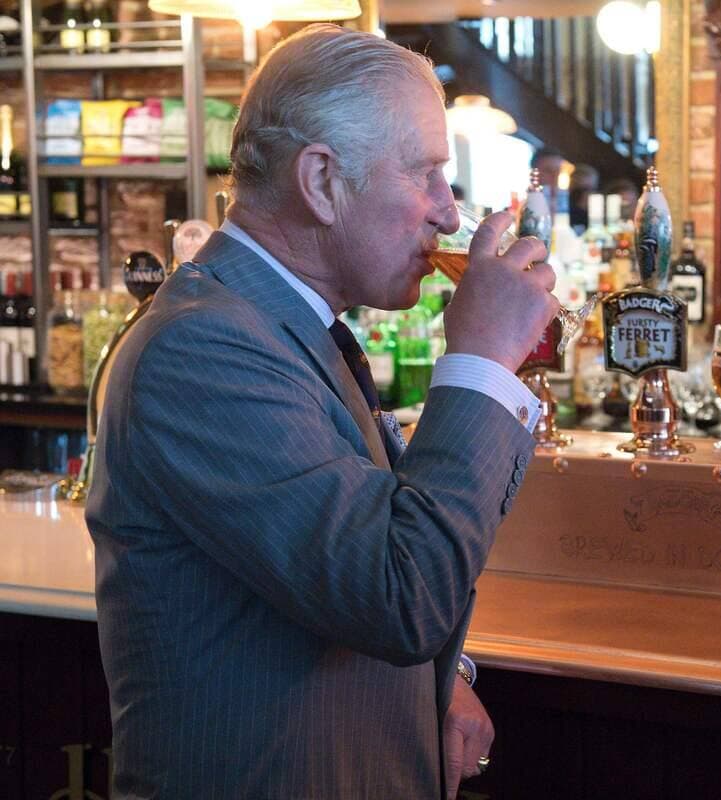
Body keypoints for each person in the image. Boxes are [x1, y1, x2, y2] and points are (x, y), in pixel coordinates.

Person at [85, 24, 558, 798]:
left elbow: (357, 549)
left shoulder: (289, 325)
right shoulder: (201, 351)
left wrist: (440, 680)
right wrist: (479, 361)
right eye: (427, 175)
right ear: (321, 181)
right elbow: (399, 594)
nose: (448, 213)